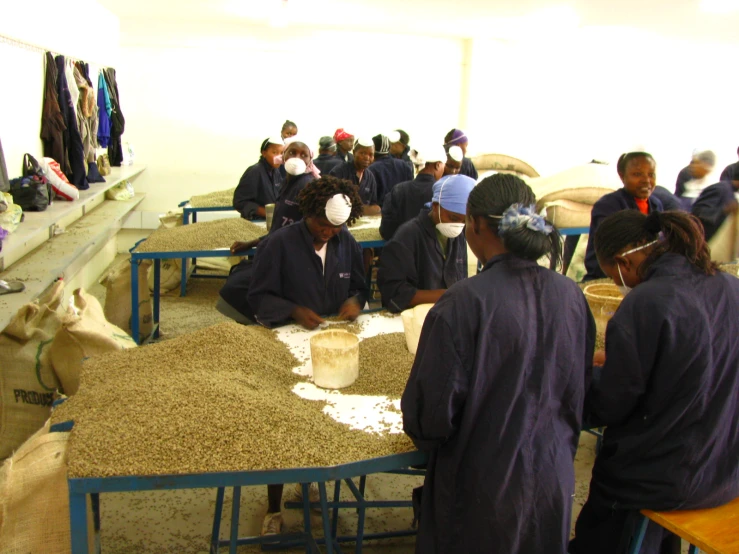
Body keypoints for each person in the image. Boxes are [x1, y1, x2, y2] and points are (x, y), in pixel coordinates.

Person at [402, 174, 595, 554]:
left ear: (475, 225)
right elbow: (578, 387)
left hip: (481, 491)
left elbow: (429, 418)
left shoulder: (463, 303)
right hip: (551, 478)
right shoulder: (570, 294)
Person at [570, 210, 739, 554]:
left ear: (623, 262)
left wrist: (577, 377)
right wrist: (619, 359)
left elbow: (610, 403)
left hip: (662, 479)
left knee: (604, 509)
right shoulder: (730, 287)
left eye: (612, 273)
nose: (619, 282)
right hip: (724, 470)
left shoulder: (646, 302)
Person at [377, 174, 475, 313]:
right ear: (436, 206)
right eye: (454, 217)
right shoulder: (407, 236)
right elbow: (393, 291)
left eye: (464, 221)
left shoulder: (456, 235)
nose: (458, 225)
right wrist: (443, 295)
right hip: (414, 317)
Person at [582, 152, 663, 281]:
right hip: (610, 277)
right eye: (637, 174)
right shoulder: (609, 205)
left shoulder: (656, 205)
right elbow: (611, 250)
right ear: (622, 176)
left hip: (644, 276)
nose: (646, 180)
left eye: (651, 174)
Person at [379, 145, 447, 240]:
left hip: (402, 251)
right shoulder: (443, 193)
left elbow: (386, 231)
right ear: (438, 165)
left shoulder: (398, 190)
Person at [271, 139, 320, 232]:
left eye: (304, 155)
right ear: (283, 155)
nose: (297, 158)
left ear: (310, 160)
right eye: (292, 152)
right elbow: (279, 227)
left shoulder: (308, 186)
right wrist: (256, 242)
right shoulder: (287, 181)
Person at [232, 137, 284, 220]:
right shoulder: (254, 171)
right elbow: (239, 202)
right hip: (256, 222)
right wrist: (266, 212)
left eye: (282, 153)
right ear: (264, 153)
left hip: (271, 221)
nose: (279, 157)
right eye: (274, 152)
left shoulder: (276, 171)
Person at [329, 138, 381, 215]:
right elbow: (331, 201)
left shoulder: (370, 177)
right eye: (363, 153)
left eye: (371, 155)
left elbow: (373, 204)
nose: (367, 158)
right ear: (354, 153)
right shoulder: (339, 172)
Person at [368, 133, 414, 205]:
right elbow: (411, 189)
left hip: (382, 212)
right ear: (389, 147)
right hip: (403, 210)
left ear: (373, 150)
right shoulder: (404, 165)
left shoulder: (371, 169)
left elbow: (370, 197)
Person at [691, 175, 739, 241]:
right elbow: (698, 212)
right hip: (700, 240)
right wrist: (724, 210)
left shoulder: (731, 193)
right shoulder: (720, 188)